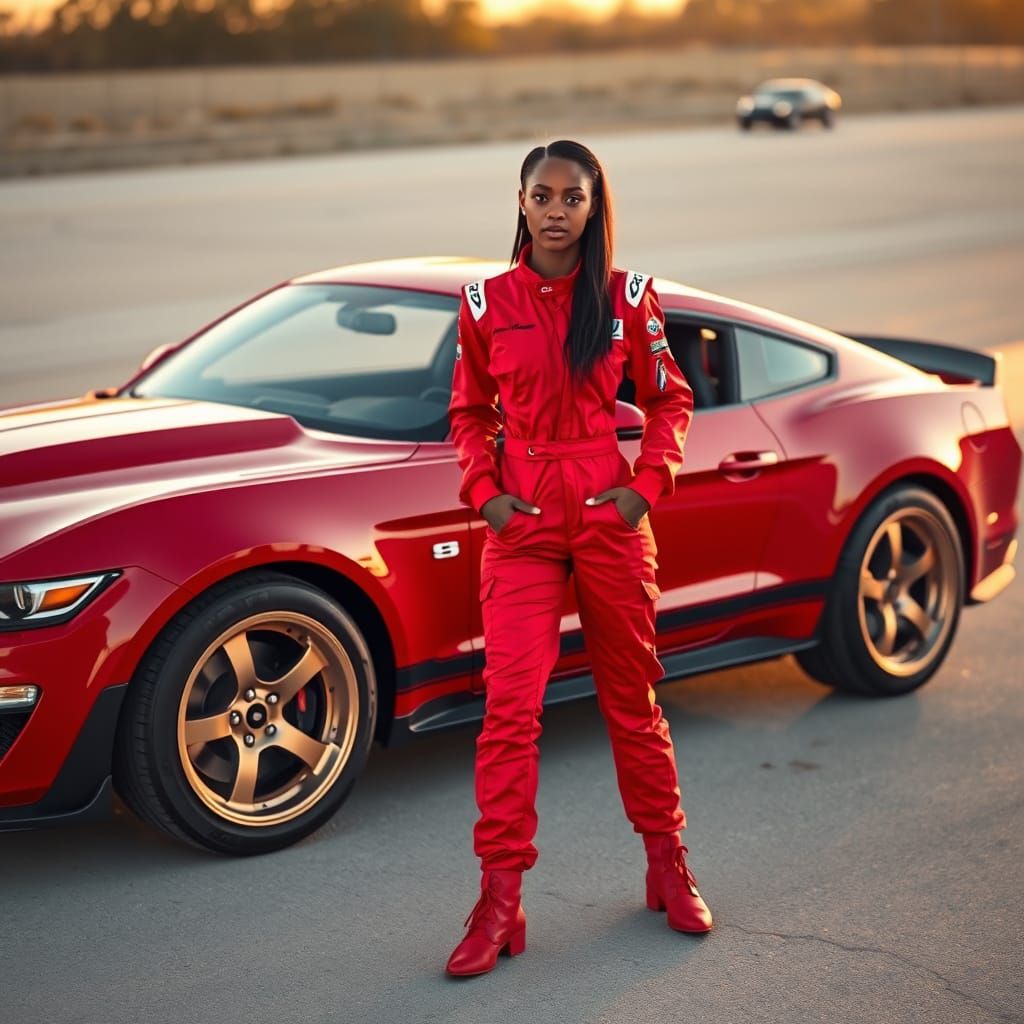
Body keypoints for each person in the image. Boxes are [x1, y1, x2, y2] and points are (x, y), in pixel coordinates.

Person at [444, 139, 712, 978]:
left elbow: (671, 399)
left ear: (595, 208)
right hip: (520, 521)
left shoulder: (627, 297)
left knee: (631, 701)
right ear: (520, 202)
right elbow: (468, 412)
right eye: (542, 195)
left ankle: (667, 865)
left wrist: (644, 487)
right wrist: (486, 494)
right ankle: (499, 902)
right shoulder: (484, 302)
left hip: (607, 511)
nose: (555, 210)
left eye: (572, 197)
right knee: (509, 714)